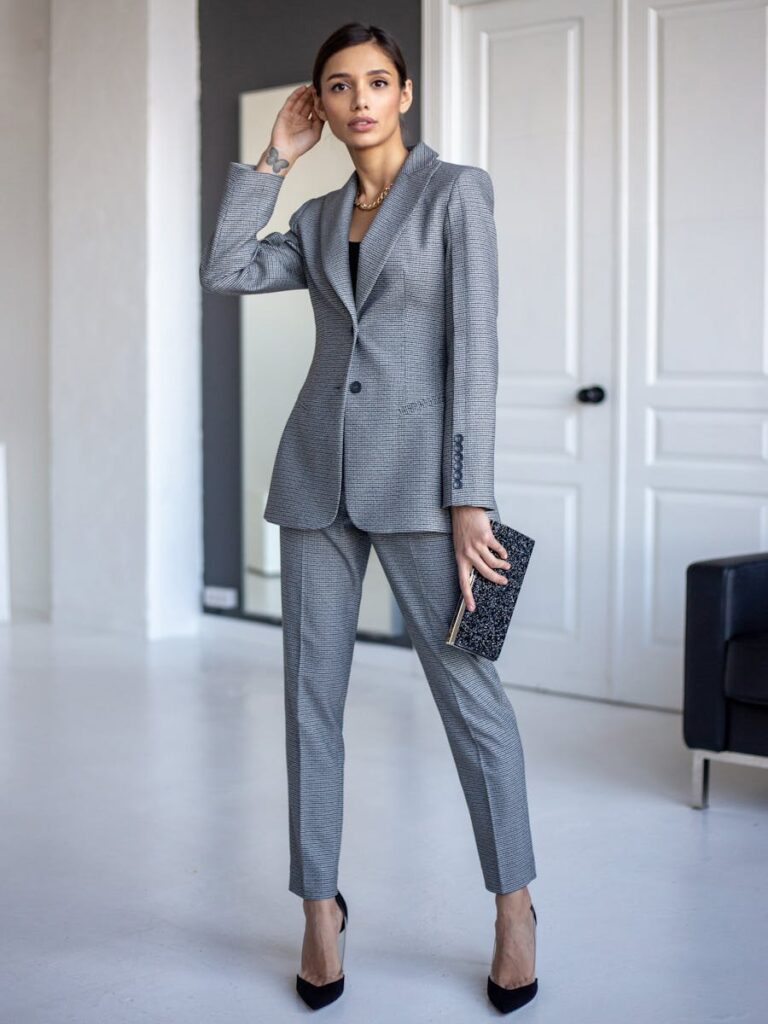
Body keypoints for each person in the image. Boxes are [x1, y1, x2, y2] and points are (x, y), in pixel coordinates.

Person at [200, 20, 539, 1015]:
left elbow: (474, 352)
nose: (359, 100)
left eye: (376, 82)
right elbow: (226, 268)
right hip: (315, 480)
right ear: (323, 103)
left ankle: (514, 903)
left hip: (429, 492)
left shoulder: (456, 193)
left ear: (407, 93)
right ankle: (318, 906)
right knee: (311, 701)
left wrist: (470, 496)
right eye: (339, 86)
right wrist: (271, 158)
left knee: (472, 696)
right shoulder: (313, 217)